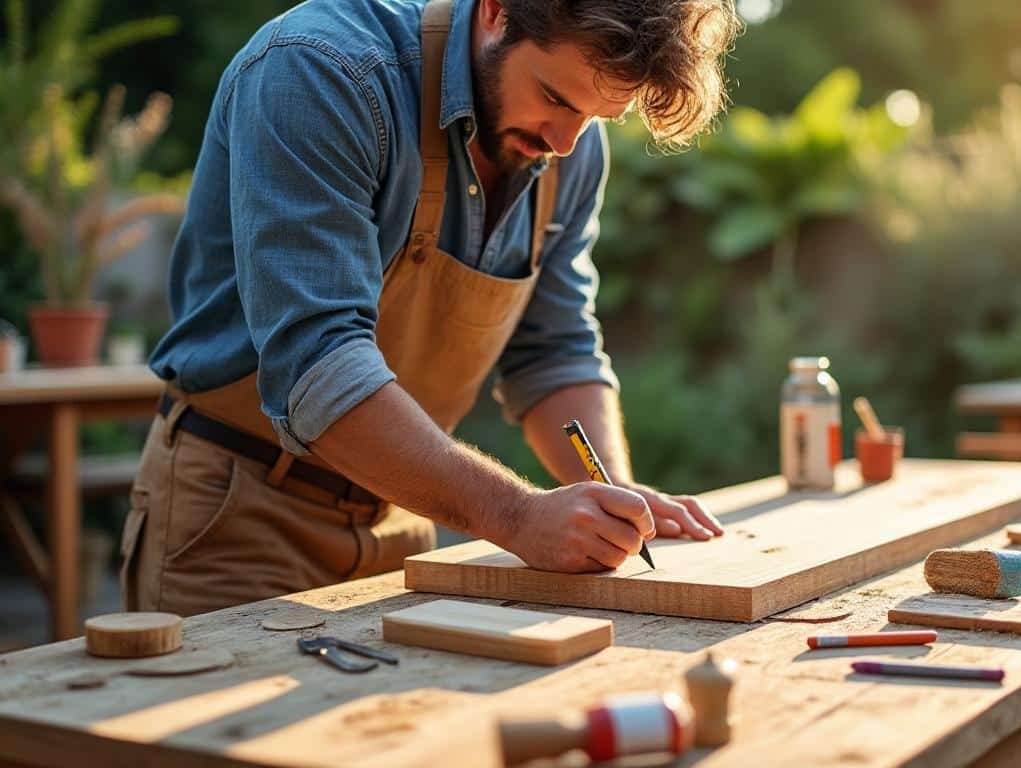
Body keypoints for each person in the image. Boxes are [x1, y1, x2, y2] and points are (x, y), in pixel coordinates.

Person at [122, 0, 741, 616]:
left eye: (598, 116)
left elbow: (554, 350)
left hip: (402, 518)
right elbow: (316, 366)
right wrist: (519, 516)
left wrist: (615, 493)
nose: (565, 141)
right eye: (555, 98)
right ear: (497, 11)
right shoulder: (321, 71)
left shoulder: (572, 149)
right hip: (236, 515)